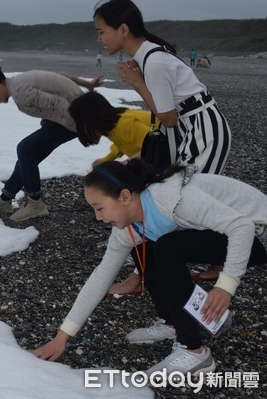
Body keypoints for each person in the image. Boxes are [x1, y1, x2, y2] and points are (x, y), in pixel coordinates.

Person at [33, 159, 267, 376]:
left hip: (257, 233)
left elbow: (242, 226)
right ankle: (173, 323)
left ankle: (193, 351)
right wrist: (62, 336)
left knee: (167, 247)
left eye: (100, 207)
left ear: (125, 196)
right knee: (148, 248)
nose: (97, 217)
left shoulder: (173, 199)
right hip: (231, 233)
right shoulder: (128, 228)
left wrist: (225, 286)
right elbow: (101, 276)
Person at [93, 0, 232, 292]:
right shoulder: (149, 57)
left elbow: (167, 117)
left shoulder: (152, 62)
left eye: (101, 31)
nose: (99, 38)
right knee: (186, 196)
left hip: (202, 131)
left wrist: (136, 82)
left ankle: (218, 261)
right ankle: (204, 265)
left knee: (187, 197)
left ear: (123, 29)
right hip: (192, 129)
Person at [0, 63, 103, 222]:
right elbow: (58, 77)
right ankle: (5, 200)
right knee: (28, 156)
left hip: (76, 119)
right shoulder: (21, 79)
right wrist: (86, 84)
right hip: (73, 116)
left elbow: (58, 103)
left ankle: (35, 204)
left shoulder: (21, 93)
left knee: (25, 149)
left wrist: (86, 126)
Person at [68, 91, 150, 167]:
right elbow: (122, 143)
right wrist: (107, 159)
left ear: (92, 119)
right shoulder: (112, 126)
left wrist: (125, 164)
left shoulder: (124, 124)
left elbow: (155, 147)